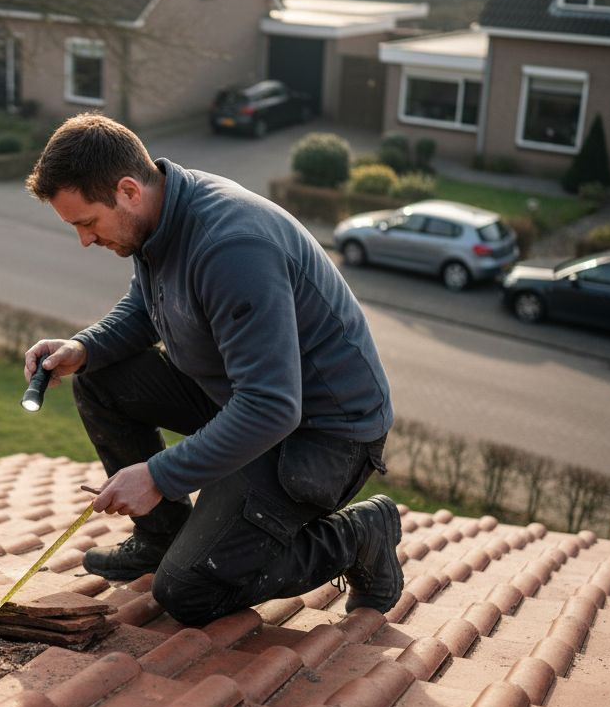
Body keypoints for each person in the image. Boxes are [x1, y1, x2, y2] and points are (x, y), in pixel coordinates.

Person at [22, 113, 399, 626]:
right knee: (99, 376)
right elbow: (145, 307)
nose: (85, 240)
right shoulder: (160, 215)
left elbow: (272, 406)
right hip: (244, 397)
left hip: (323, 434)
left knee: (189, 592)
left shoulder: (231, 247)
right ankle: (160, 538)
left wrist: (158, 475)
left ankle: (361, 535)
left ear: (128, 190)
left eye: (87, 223)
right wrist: (84, 347)